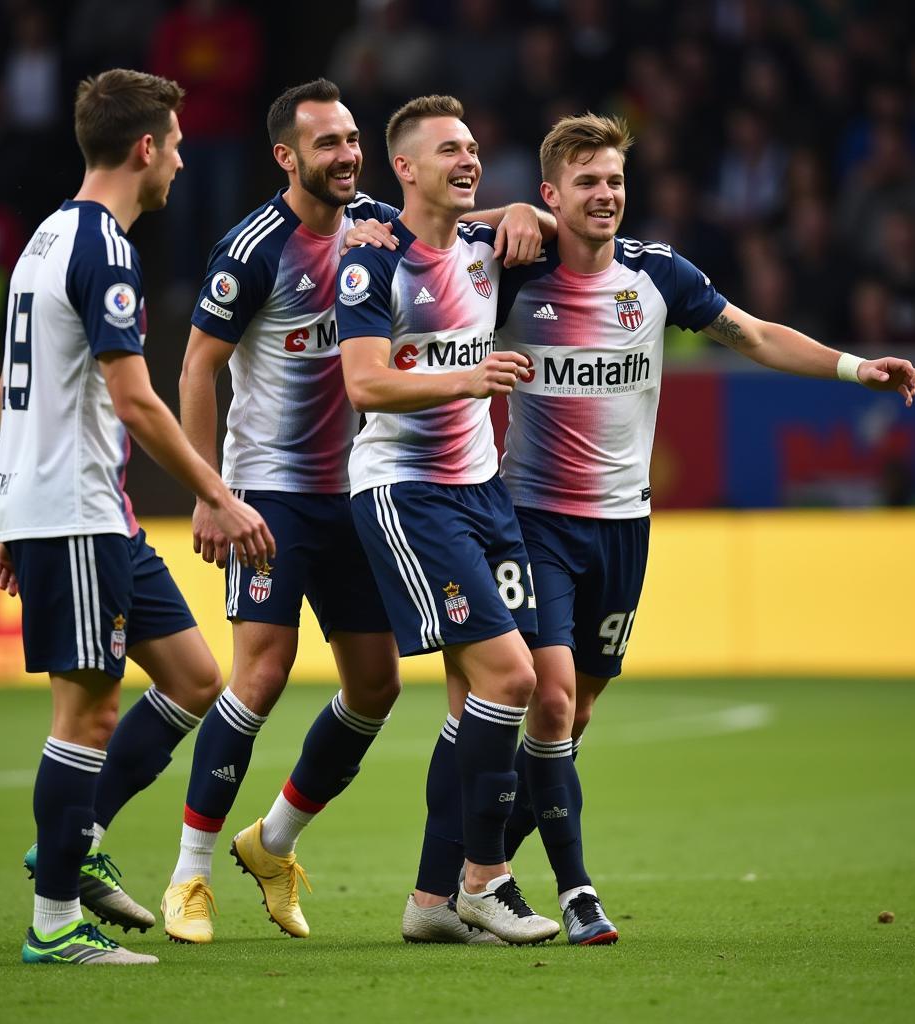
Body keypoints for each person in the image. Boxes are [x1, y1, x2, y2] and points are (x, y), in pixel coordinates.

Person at [446, 112, 915, 945]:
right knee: (549, 698)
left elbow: (757, 334)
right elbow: (408, 223)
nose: (606, 195)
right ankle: (577, 891)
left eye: (616, 181)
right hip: (532, 521)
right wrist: (504, 212)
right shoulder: (513, 271)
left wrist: (858, 368)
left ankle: (473, 868)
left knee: (578, 713)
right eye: (587, 182)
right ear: (554, 194)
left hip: (625, 526)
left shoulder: (656, 273)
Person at [160, 78, 544, 945]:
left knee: (375, 686)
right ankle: (190, 872)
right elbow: (194, 368)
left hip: (359, 490)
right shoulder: (254, 248)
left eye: (351, 140)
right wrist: (209, 494)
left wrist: (520, 208)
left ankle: (277, 844)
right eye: (326, 144)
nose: (346, 156)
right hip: (270, 489)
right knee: (259, 673)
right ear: (286, 158)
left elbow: (460, 223)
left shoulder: (382, 224)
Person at [0, 68, 272, 967]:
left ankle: (74, 842)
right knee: (88, 715)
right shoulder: (105, 248)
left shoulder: (42, 240)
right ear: (145, 147)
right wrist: (220, 495)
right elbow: (139, 401)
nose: (184, 162)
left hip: (84, 512)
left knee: (194, 677)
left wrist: (5, 511)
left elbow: (10, 388)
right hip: (73, 511)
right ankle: (54, 922)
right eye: (179, 145)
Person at [335, 94, 559, 946]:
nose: (469, 160)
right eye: (449, 151)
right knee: (511, 680)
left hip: (483, 491)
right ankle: (486, 881)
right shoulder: (372, 260)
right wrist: (465, 380)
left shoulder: (479, 246)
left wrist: (532, 209)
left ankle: (432, 902)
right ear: (405, 168)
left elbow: (525, 217)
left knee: (481, 702)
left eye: (473, 147)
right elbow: (364, 384)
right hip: (406, 493)